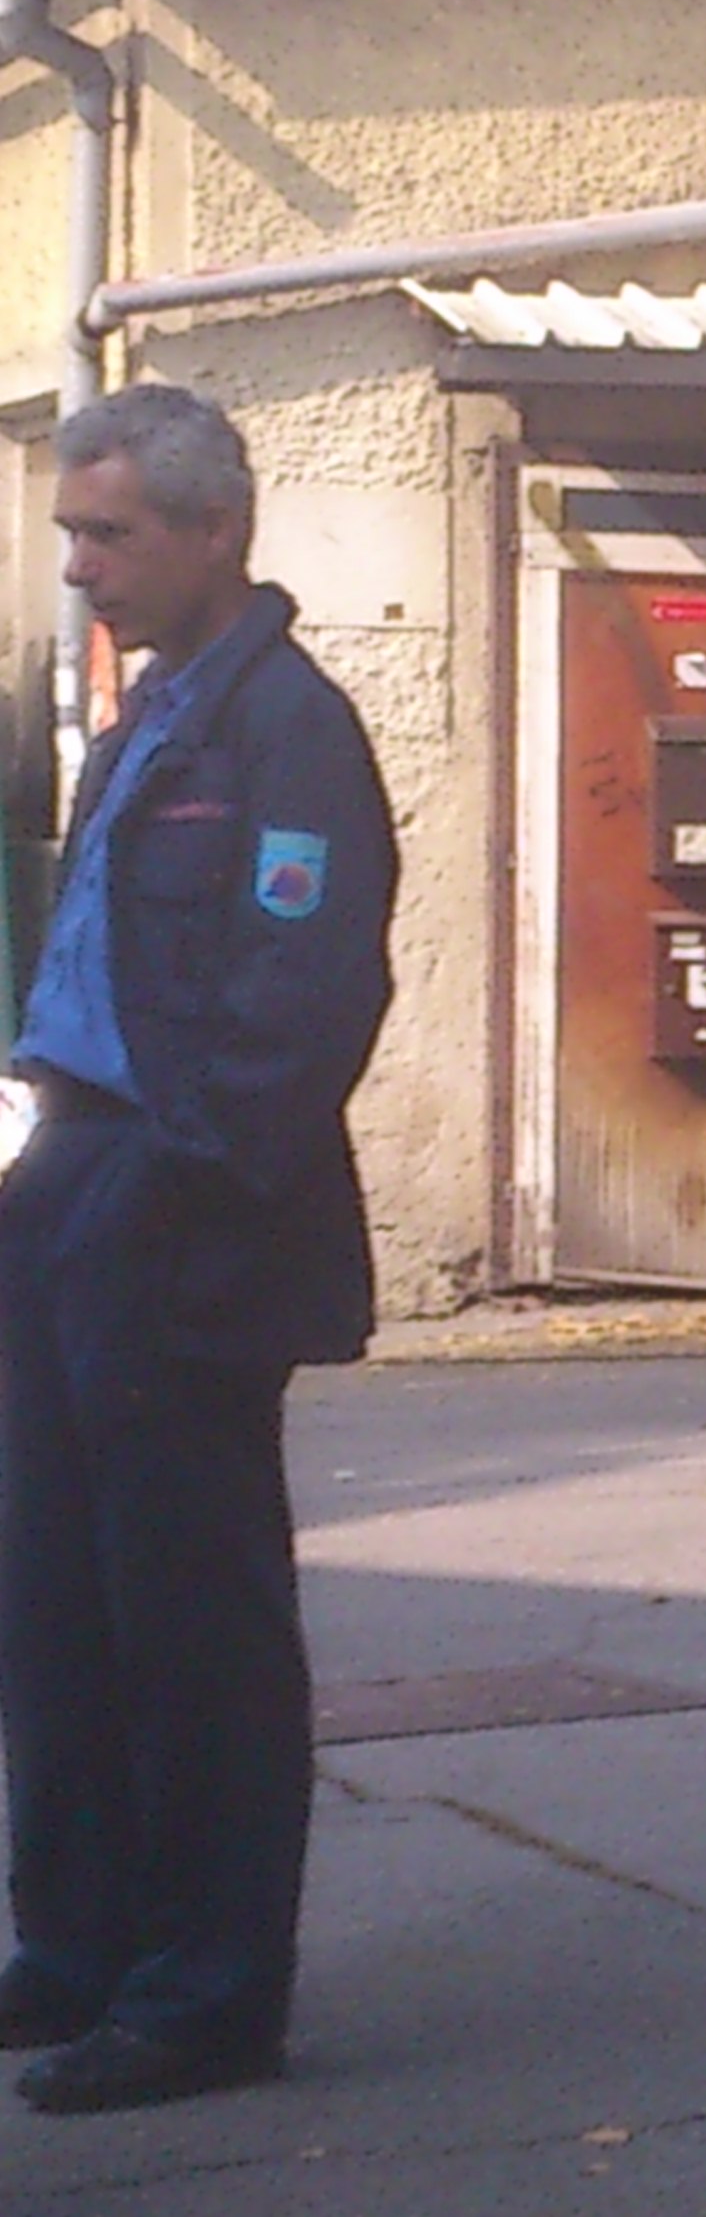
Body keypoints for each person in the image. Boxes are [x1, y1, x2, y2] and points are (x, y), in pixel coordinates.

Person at [0, 383, 399, 2112]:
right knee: (57, 1600)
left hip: (172, 1204)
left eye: (109, 535)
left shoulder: (286, 729)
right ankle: (78, 1943)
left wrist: (174, 1185)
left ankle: (209, 1991)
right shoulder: (152, 712)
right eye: (71, 535)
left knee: (192, 1619)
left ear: (213, 529)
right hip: (64, 1170)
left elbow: (307, 994)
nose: (79, 568)